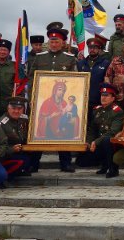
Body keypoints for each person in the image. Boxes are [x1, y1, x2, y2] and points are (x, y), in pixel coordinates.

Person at [27, 27, 78, 172]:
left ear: (62, 43)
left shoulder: (69, 58)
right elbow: (31, 78)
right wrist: (32, 97)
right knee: (40, 130)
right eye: (52, 42)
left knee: (62, 129)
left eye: (57, 42)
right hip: (43, 100)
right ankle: (34, 163)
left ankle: (65, 163)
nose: (54, 44)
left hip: (62, 102)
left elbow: (75, 81)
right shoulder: (40, 57)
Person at [87, 83, 124, 178]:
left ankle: (113, 169)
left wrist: (96, 142)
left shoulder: (117, 111)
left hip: (114, 142)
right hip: (99, 141)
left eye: (106, 96)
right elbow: (92, 129)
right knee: (82, 161)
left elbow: (113, 132)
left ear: (113, 98)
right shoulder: (96, 110)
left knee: (107, 140)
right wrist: (89, 142)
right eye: (102, 95)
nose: (103, 98)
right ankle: (104, 165)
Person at [0, 96, 35, 177]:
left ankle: (23, 170)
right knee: (24, 160)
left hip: (21, 149)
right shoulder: (2, 123)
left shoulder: (24, 119)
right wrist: (12, 149)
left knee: (35, 151)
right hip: (7, 154)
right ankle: (1, 176)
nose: (16, 111)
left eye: (19, 109)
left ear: (23, 109)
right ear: (8, 108)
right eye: (13, 108)